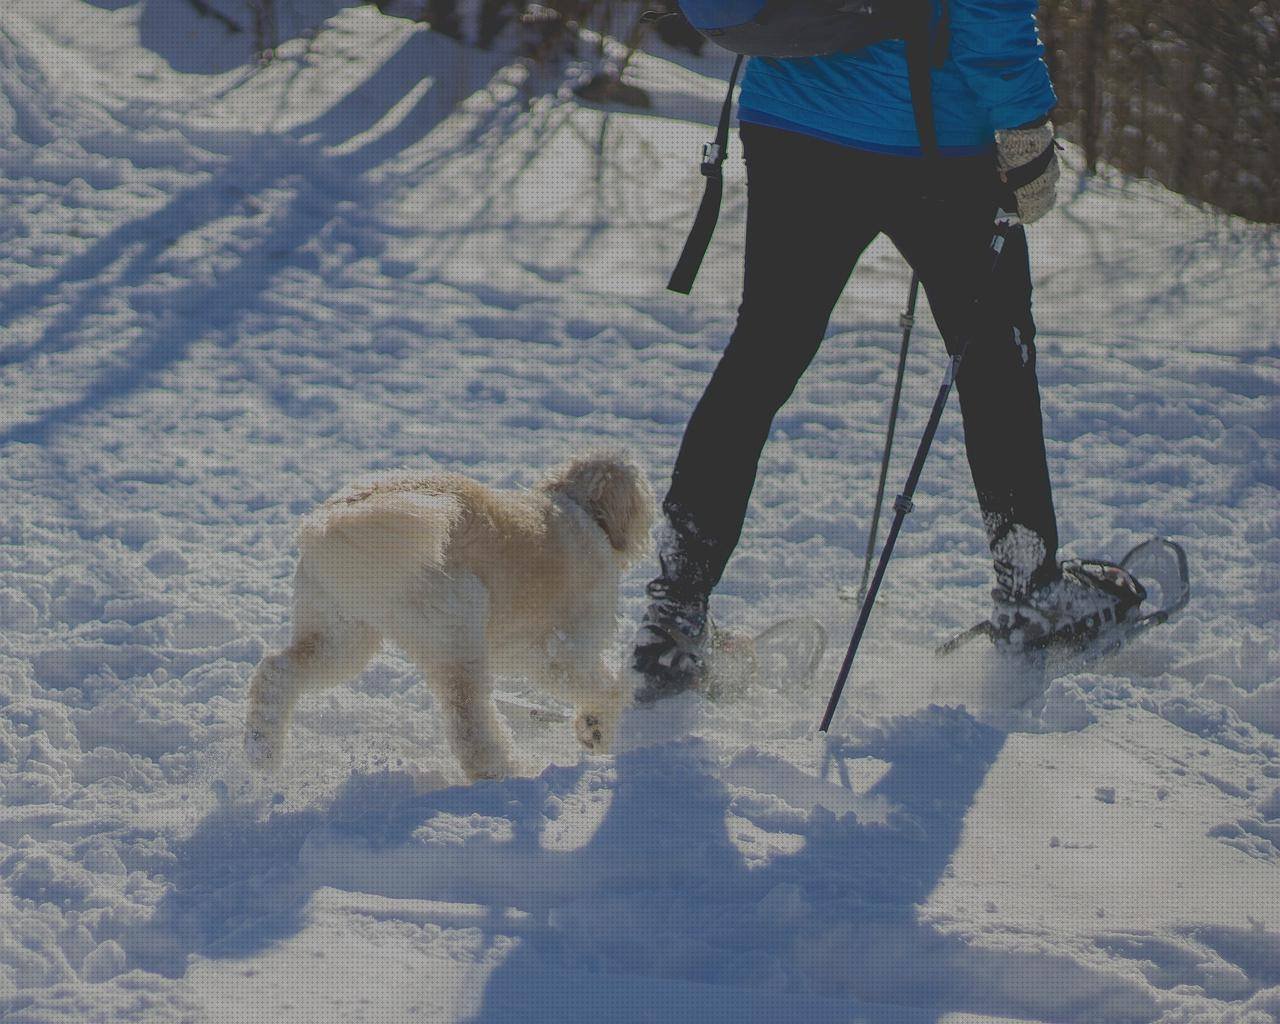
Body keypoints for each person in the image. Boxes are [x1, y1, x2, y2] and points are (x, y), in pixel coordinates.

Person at [632, 0, 1128, 702]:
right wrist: (1023, 121)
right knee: (993, 363)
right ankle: (1031, 590)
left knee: (762, 356)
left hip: (791, 119)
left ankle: (674, 614)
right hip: (939, 143)